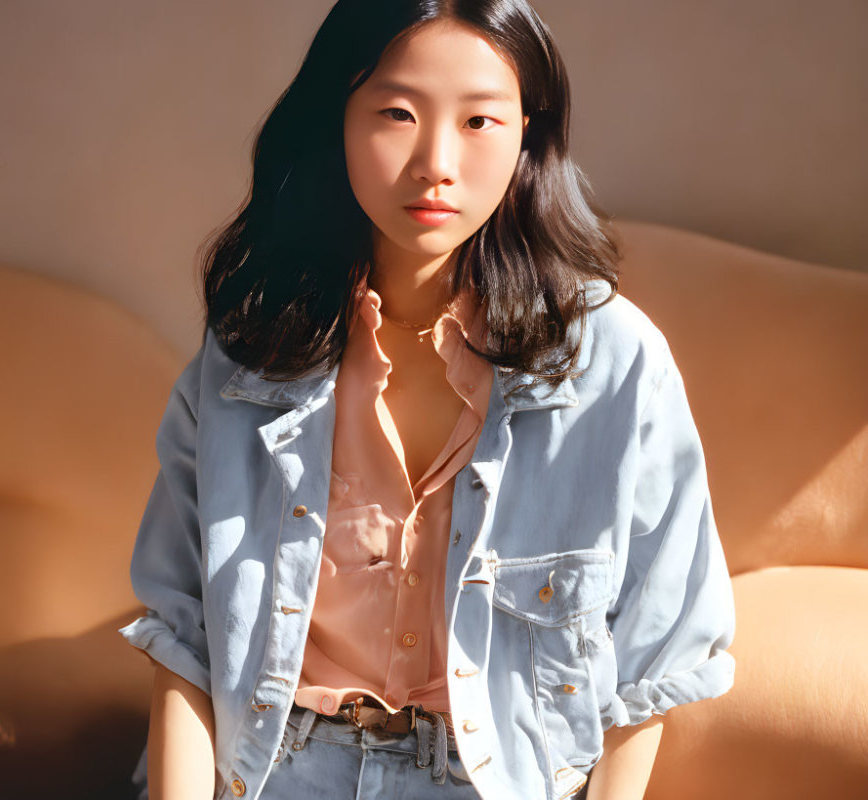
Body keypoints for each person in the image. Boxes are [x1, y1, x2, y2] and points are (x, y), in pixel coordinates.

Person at [118, 1, 737, 798]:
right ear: (335, 121)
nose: (436, 162)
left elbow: (662, 650)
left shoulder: (613, 362)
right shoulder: (252, 350)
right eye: (398, 113)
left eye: (480, 120)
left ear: (528, 137)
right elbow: (183, 636)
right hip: (269, 765)